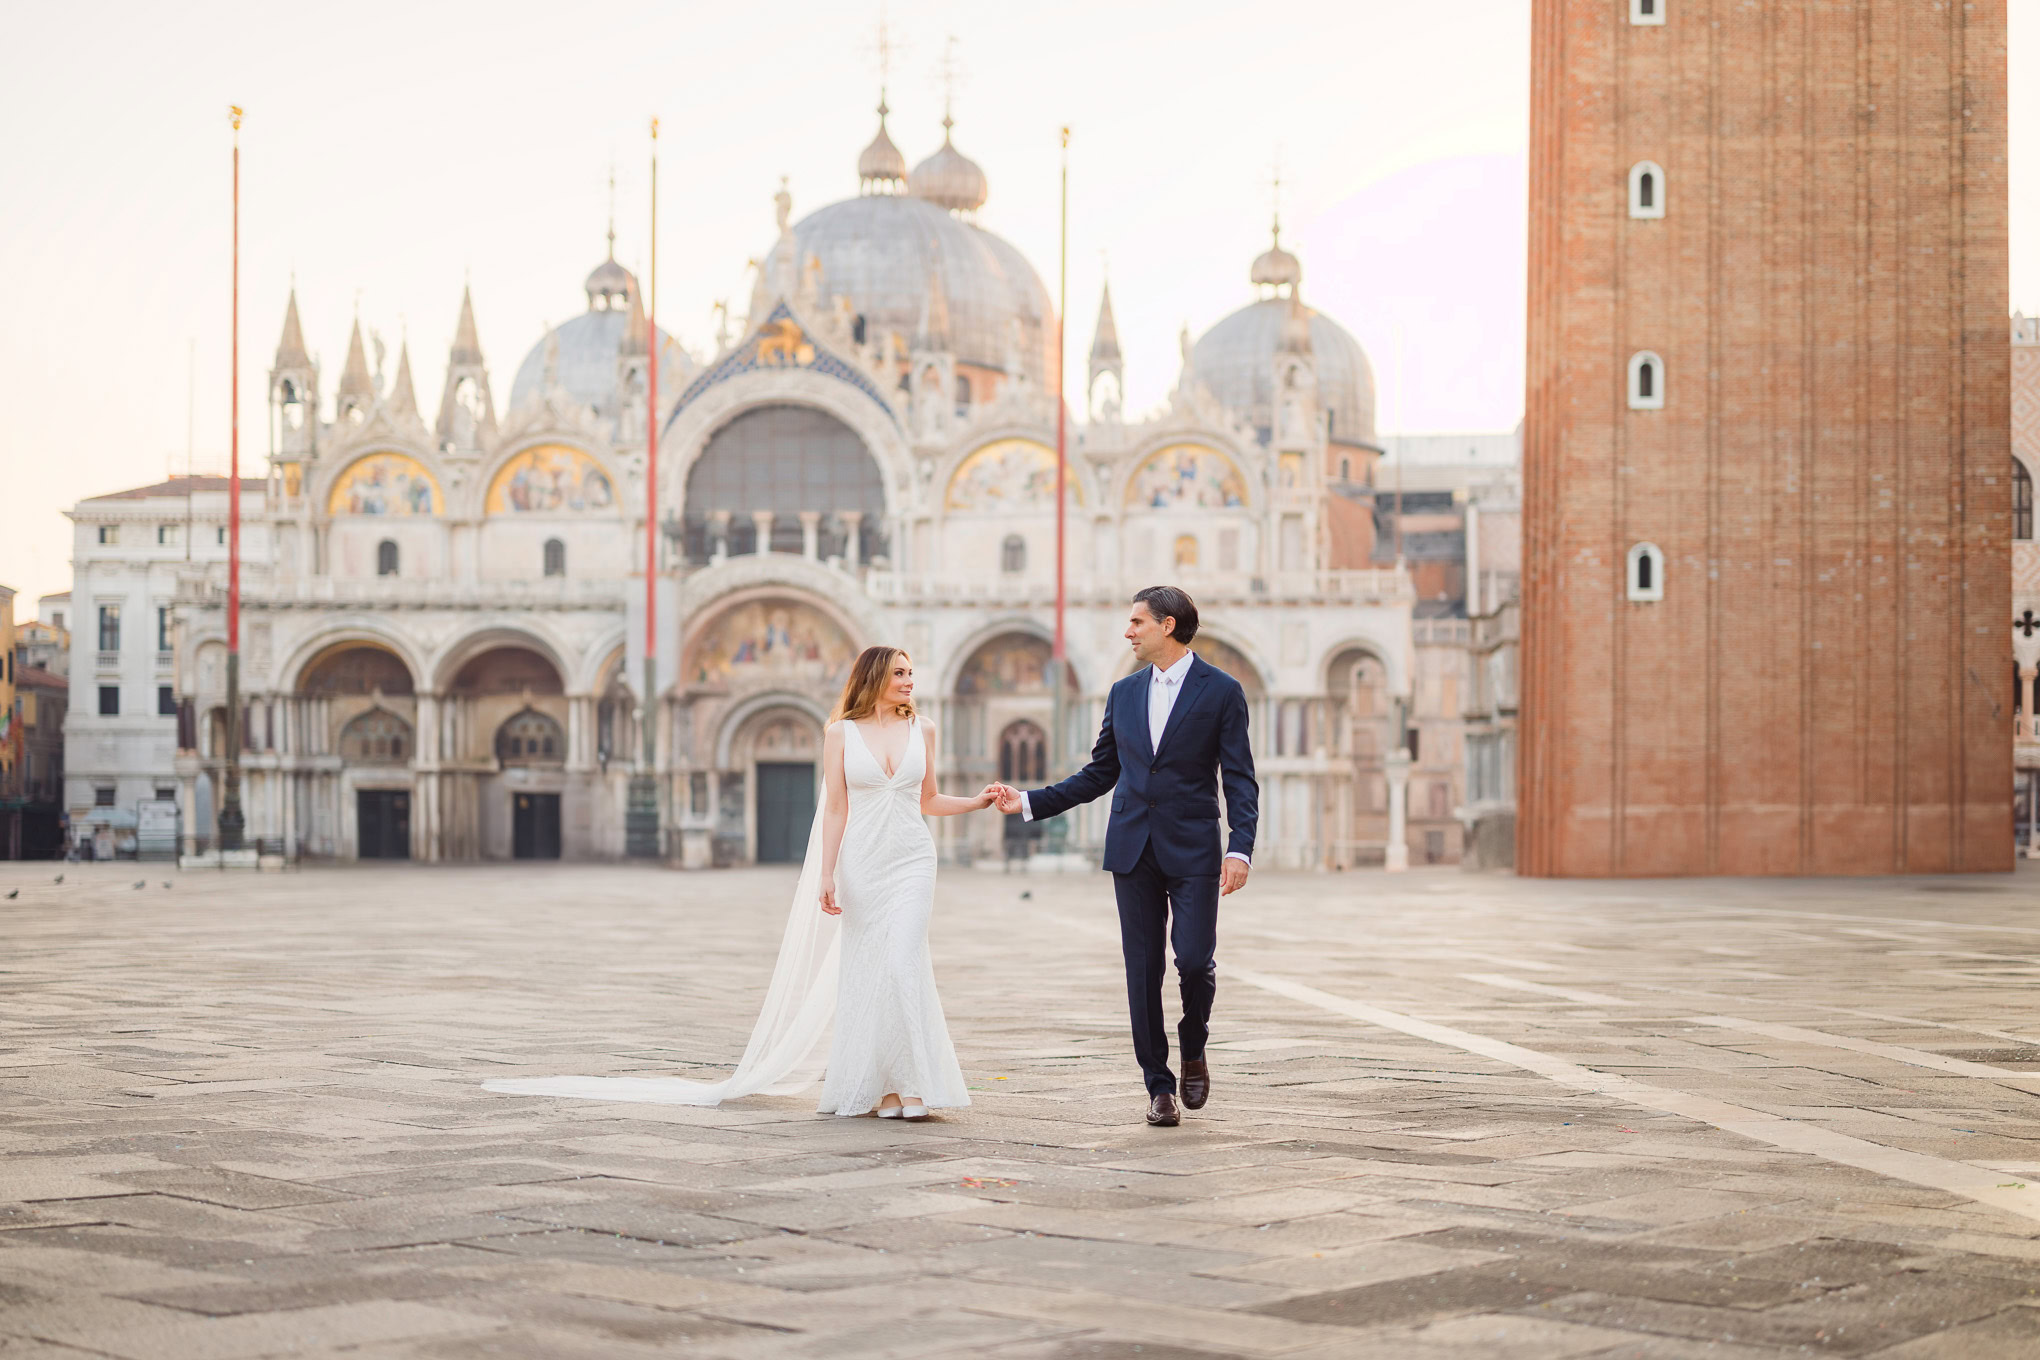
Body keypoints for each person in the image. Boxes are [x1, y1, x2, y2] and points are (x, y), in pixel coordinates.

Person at [483, 646, 998, 1117]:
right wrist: (825, 871)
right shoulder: (840, 733)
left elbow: (929, 799)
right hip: (862, 862)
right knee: (868, 970)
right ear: (874, 678)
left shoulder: (923, 729)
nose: (910, 680)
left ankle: (913, 1085)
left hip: (911, 858)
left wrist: (975, 802)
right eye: (900, 673)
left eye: (911, 673)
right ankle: (881, 1088)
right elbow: (837, 810)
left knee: (904, 961)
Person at [991, 586, 1258, 1128]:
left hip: (1195, 851)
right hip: (1132, 847)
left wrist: (1240, 847)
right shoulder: (1123, 692)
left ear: (1168, 625)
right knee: (1142, 971)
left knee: (1193, 961)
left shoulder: (1222, 691)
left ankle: (1193, 1045)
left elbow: (1239, 777)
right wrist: (1028, 801)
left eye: (1137, 622)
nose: (1128, 631)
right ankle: (1158, 1087)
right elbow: (1100, 773)